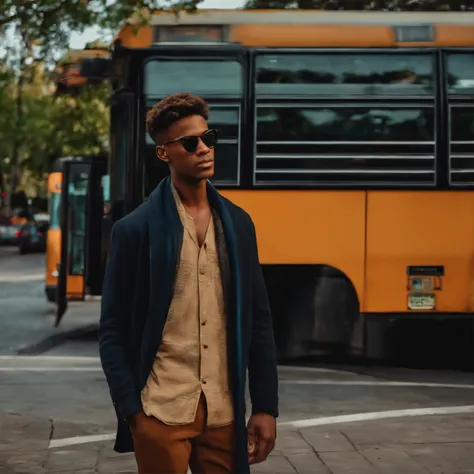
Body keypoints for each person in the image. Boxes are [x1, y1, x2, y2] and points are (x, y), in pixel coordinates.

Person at [99, 92, 279, 474]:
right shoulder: (134, 231)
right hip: (160, 411)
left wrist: (265, 406)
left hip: (224, 413)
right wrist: (132, 411)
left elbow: (259, 322)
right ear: (164, 153)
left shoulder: (239, 224)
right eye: (189, 142)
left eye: (208, 138)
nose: (203, 149)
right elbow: (112, 330)